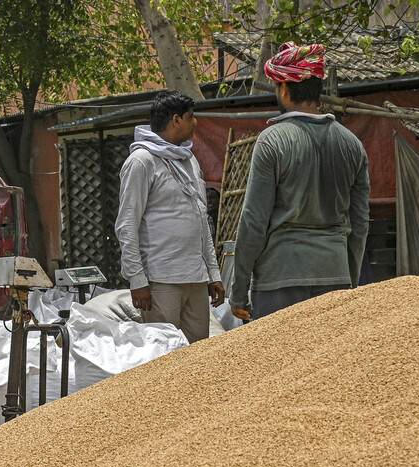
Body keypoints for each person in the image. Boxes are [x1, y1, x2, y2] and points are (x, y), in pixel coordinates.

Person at [229, 42, 370, 321]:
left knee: (279, 364)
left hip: (279, 279)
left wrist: (239, 290)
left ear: (283, 88)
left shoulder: (271, 142)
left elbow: (254, 221)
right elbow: (360, 223)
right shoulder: (353, 144)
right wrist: (348, 279)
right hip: (335, 274)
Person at [115, 90, 224, 343]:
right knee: (162, 357)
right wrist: (137, 280)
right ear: (176, 121)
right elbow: (127, 225)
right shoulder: (141, 161)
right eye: (190, 117)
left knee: (197, 356)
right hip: (160, 281)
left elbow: (201, 220)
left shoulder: (189, 160)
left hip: (195, 279)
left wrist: (213, 274)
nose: (195, 122)